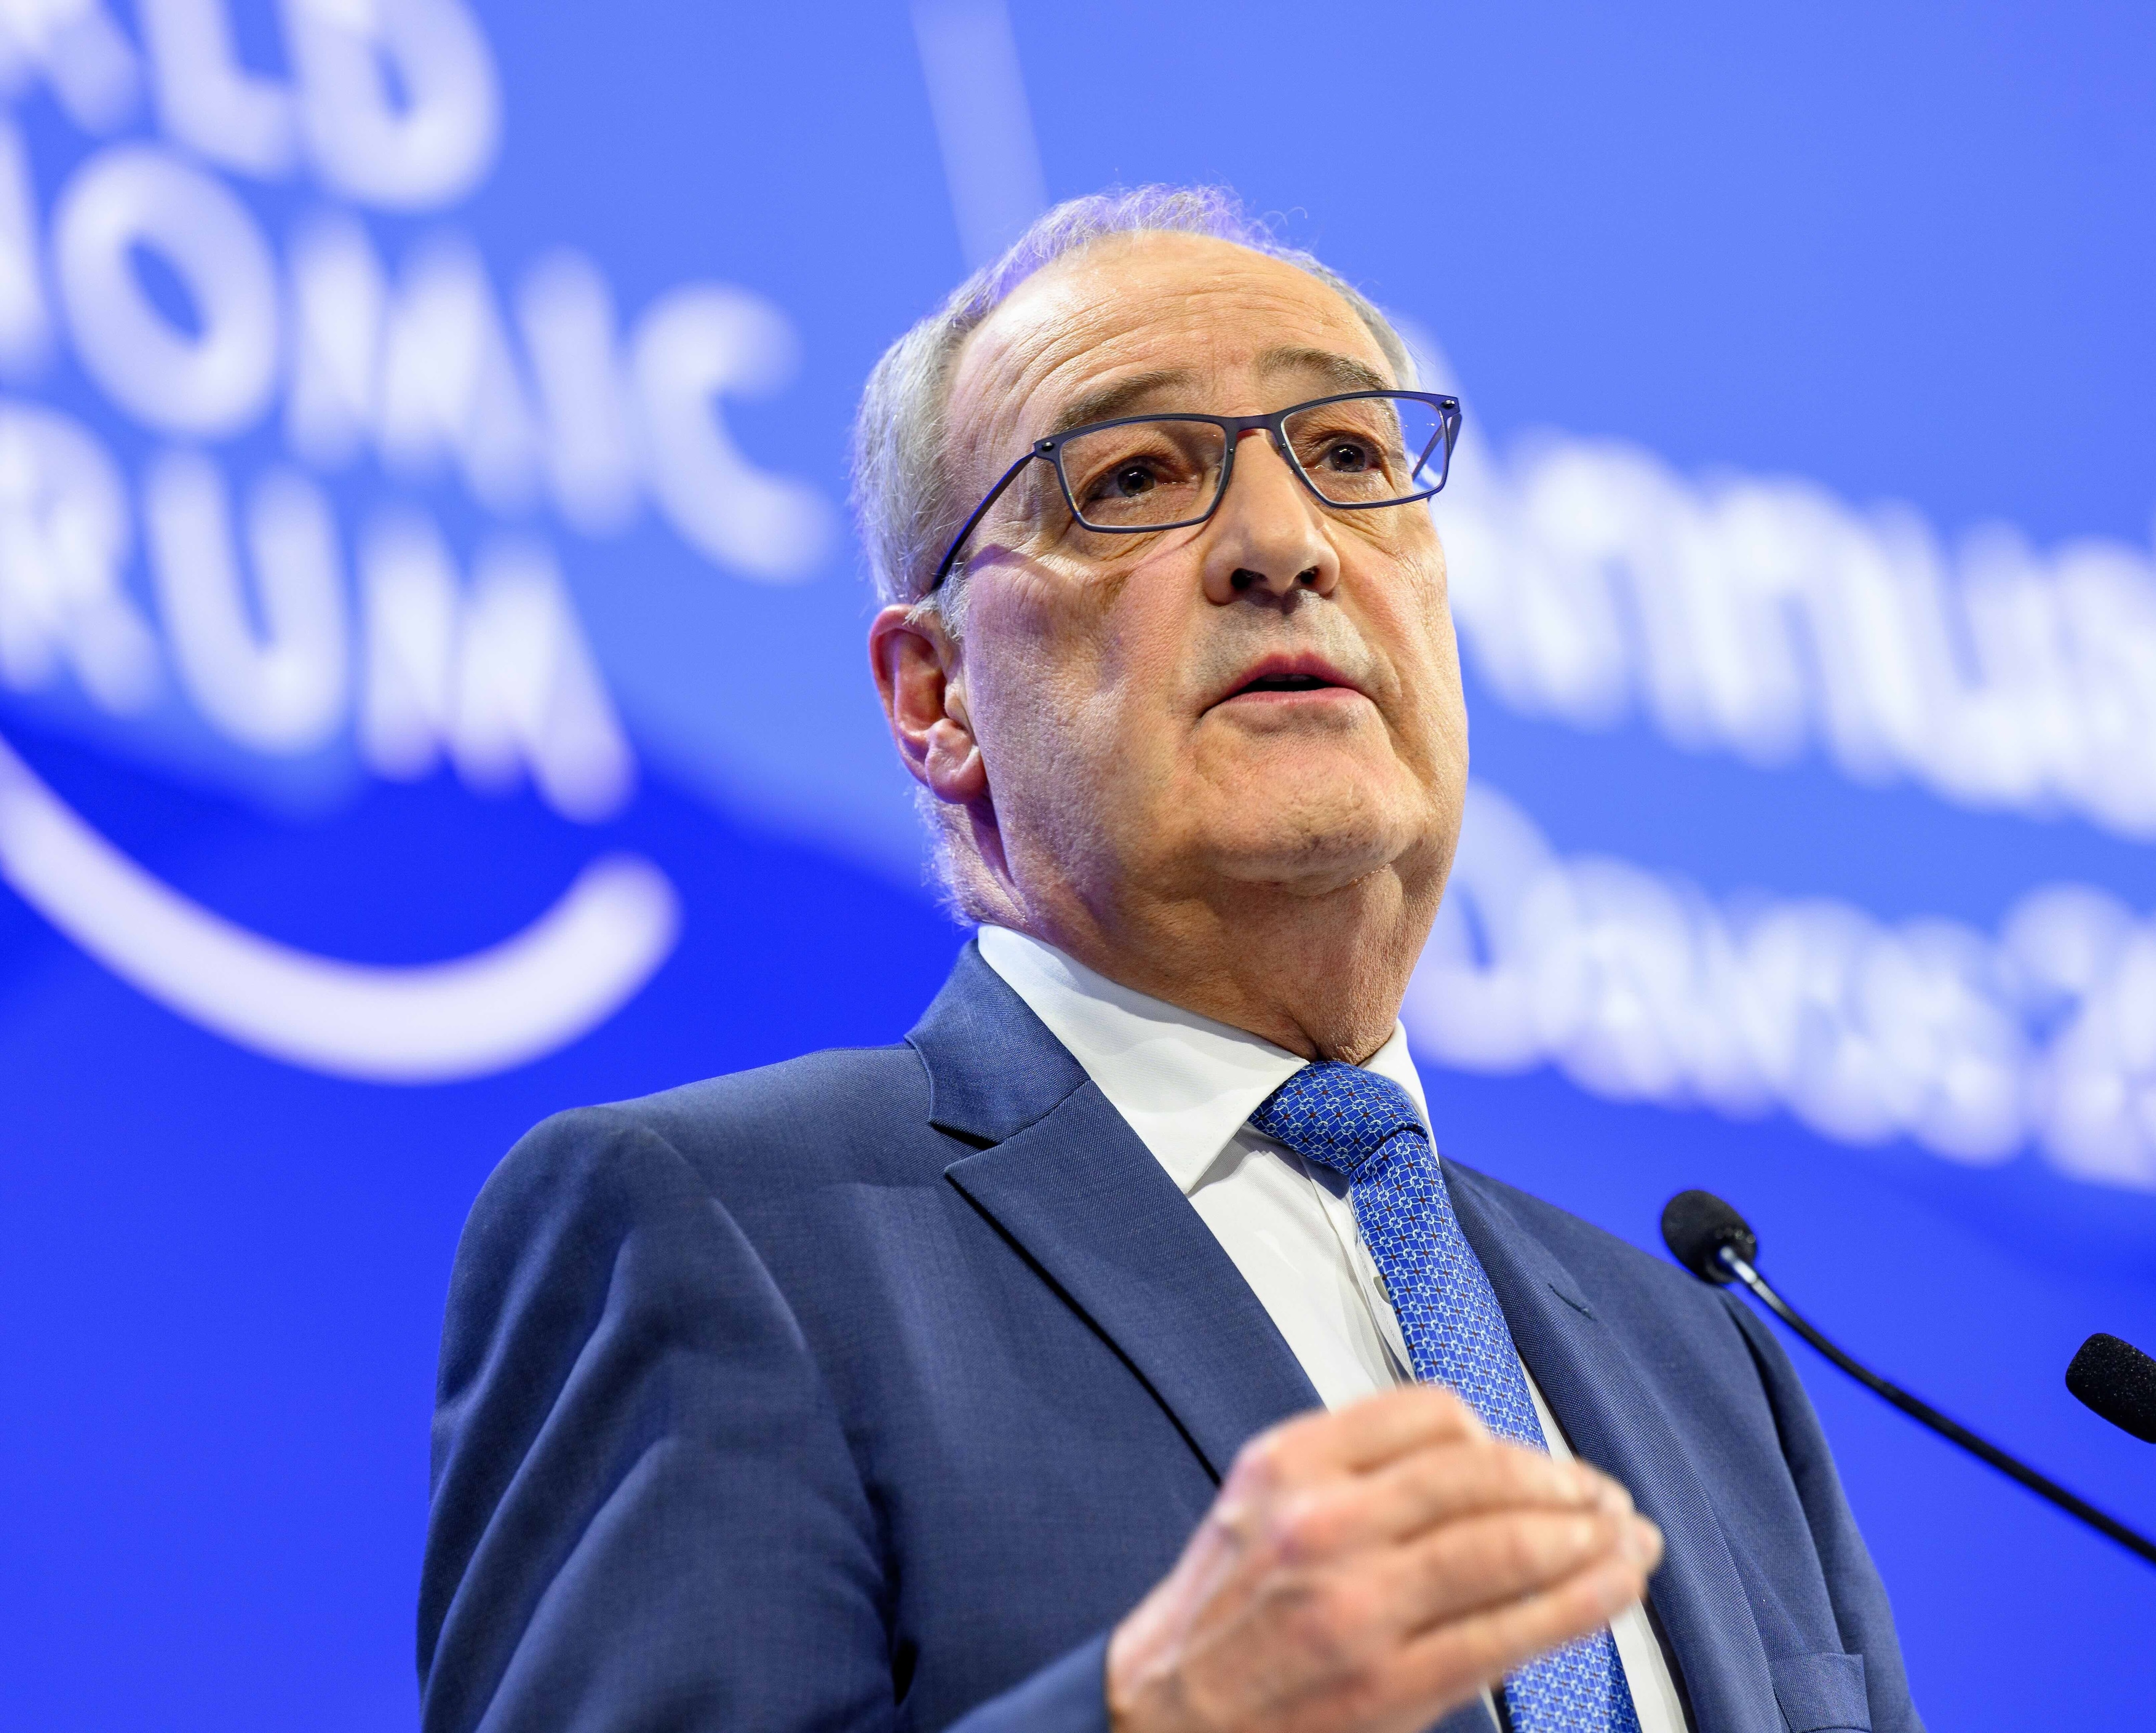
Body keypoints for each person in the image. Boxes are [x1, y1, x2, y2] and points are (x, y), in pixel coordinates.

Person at [417, 186, 1920, 1733]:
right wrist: (1163, 1714)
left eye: (1349, 456)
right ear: (936, 695)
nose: (1287, 545)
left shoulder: (1707, 1367)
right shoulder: (722, 1232)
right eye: (1133, 476)